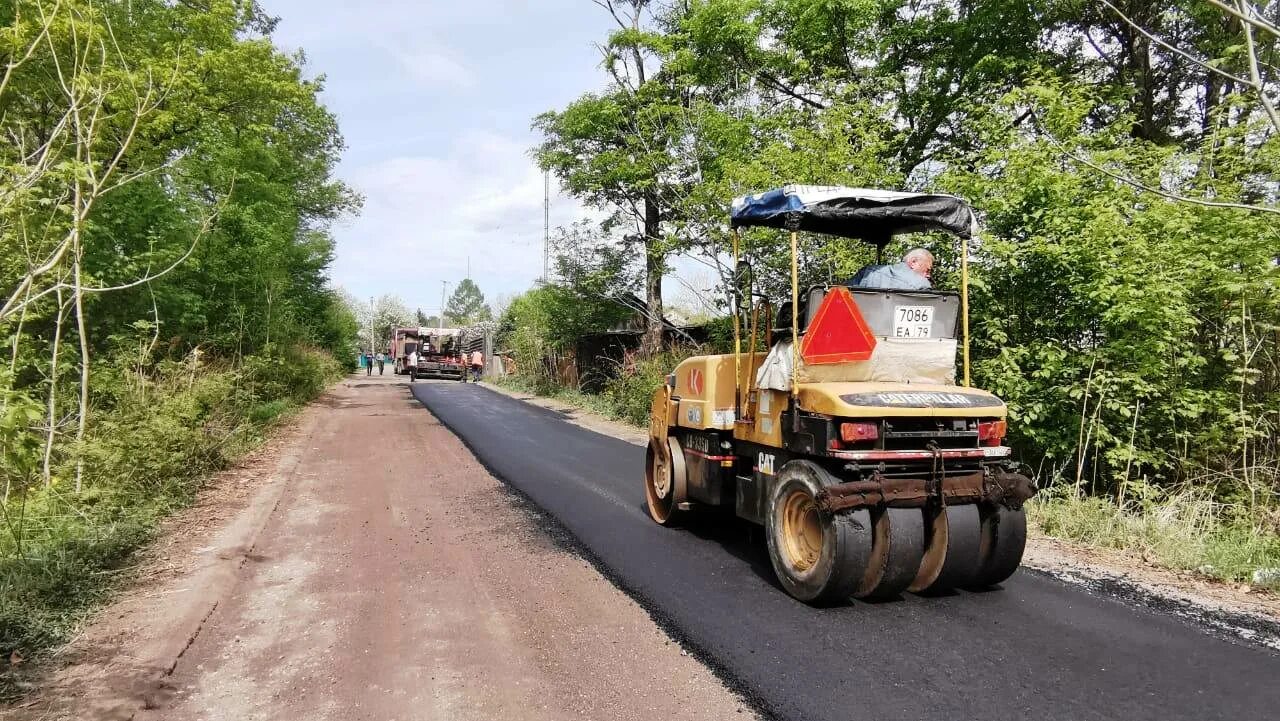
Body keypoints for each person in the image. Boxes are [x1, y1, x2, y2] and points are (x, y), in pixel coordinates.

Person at [848, 248, 934, 290]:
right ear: (913, 262)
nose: (928, 275)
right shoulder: (922, 285)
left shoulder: (868, 272)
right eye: (927, 270)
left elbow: (841, 293)